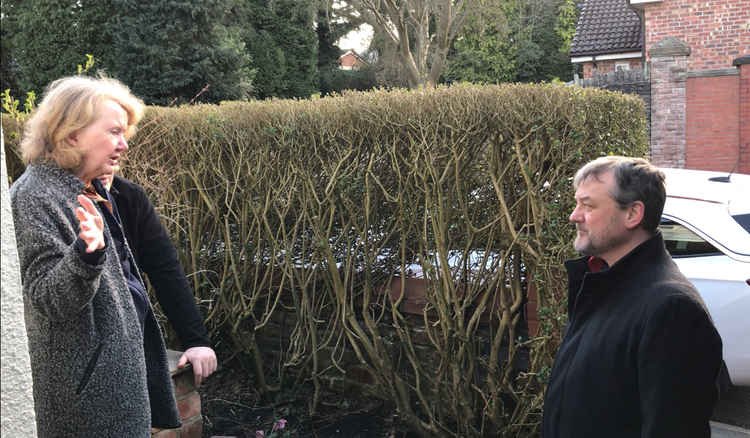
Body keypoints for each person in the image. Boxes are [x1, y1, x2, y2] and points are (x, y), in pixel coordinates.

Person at [10, 75, 180, 437]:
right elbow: (47, 299)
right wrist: (86, 255)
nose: (124, 144)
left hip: (114, 381)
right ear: (71, 134)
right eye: (114, 132)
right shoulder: (33, 196)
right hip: (86, 399)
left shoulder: (90, 188)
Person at [542, 156, 723, 437]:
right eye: (577, 203)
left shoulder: (672, 310)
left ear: (632, 214)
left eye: (587, 205)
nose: (574, 215)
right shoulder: (600, 283)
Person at [98, 169, 218, 386]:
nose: (119, 149)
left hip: (131, 348)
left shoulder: (128, 196)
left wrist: (196, 341)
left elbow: (165, 269)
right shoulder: (45, 201)